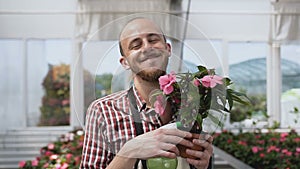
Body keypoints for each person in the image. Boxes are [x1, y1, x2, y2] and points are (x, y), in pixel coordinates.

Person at [80, 17, 213, 169]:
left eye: (153, 40)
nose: (146, 48)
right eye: (136, 45)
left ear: (168, 49)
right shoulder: (104, 110)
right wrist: (129, 151)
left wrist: (204, 163)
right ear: (125, 62)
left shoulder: (191, 103)